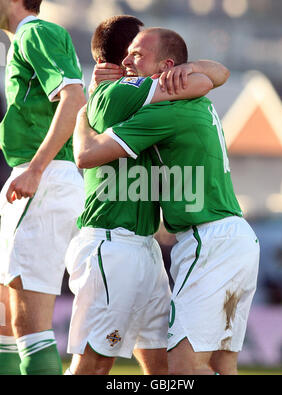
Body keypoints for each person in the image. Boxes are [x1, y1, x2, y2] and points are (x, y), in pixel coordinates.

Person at [74, 27, 260, 375]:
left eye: (138, 55)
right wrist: (195, 69)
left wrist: (82, 114)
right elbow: (217, 74)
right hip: (238, 238)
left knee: (183, 366)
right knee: (222, 362)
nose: (127, 61)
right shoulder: (194, 100)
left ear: (167, 66)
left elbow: (87, 154)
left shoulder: (164, 112)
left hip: (208, 240)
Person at [0, 0, 86, 375]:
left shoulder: (36, 32)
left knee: (28, 326)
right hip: (33, 177)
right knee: (6, 321)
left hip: (43, 178)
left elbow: (74, 98)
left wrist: (36, 169)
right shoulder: (22, 39)